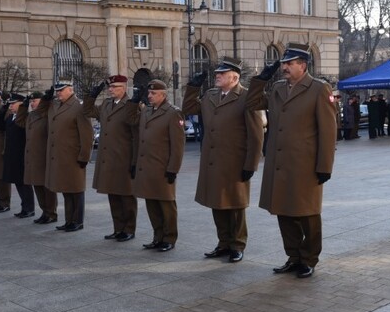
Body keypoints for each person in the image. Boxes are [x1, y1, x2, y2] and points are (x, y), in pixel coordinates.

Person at [246, 42, 337, 278]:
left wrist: (324, 166)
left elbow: (328, 131)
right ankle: (294, 256)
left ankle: (308, 258)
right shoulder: (277, 88)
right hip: (279, 163)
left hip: (305, 164)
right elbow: (251, 103)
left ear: (303, 65)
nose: (284, 67)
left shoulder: (319, 89)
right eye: (283, 63)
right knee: (284, 212)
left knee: (307, 214)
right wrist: (259, 80)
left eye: (289, 63)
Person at [184, 58, 263, 262]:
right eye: (217, 73)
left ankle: (237, 245)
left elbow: (256, 135)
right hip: (213, 161)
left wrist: (251, 164)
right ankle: (223, 242)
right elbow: (189, 108)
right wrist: (193, 87)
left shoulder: (246, 97)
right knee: (217, 204)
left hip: (235, 161)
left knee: (235, 206)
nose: (217, 75)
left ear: (234, 77)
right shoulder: (211, 95)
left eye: (222, 73)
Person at [83, 74, 139, 242]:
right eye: (110, 87)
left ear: (123, 88)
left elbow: (135, 135)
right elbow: (87, 111)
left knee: (127, 196)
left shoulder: (131, 105)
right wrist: (91, 97)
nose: (111, 90)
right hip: (108, 157)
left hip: (123, 157)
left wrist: (134, 161)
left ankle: (129, 229)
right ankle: (118, 228)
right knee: (113, 195)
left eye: (115, 87)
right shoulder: (107, 104)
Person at [133, 80, 185, 252]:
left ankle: (169, 238)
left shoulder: (172, 113)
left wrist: (173, 169)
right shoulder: (146, 111)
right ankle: (157, 236)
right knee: (152, 205)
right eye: (148, 93)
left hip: (163, 168)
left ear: (163, 95)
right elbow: (131, 123)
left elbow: (177, 146)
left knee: (166, 205)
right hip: (147, 167)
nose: (149, 96)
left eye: (153, 93)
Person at [45, 81, 94, 232]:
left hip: (73, 157)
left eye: (61, 90)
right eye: (57, 91)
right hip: (60, 156)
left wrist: (84, 156)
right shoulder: (56, 105)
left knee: (76, 190)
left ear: (70, 90)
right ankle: (68, 220)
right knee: (66, 190)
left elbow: (87, 134)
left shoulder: (78, 107)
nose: (58, 93)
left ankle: (77, 221)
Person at [16, 90, 58, 224]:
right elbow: (19, 121)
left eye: (35, 101)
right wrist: (24, 105)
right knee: (38, 186)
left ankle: (51, 213)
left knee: (47, 188)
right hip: (32, 157)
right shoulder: (31, 115)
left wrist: (47, 100)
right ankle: (44, 212)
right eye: (32, 101)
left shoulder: (47, 114)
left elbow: (50, 108)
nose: (32, 103)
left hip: (44, 156)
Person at [0, 93, 35, 218]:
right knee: (18, 182)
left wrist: (24, 108)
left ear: (21, 104)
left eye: (13, 103)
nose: (11, 106)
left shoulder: (25, 118)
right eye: (10, 104)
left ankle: (29, 208)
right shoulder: (10, 117)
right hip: (12, 155)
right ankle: (24, 207)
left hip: (22, 155)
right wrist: (3, 109)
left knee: (25, 183)